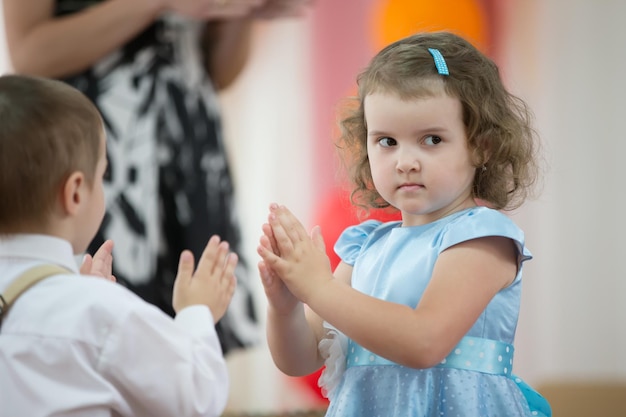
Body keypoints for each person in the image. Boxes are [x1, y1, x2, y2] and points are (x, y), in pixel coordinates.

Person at [257, 32, 552, 417]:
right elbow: (300, 360)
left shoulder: (483, 238)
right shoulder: (365, 248)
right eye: (387, 141)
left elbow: (423, 342)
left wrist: (319, 287)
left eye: (431, 139)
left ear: (481, 146)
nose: (405, 161)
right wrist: (287, 306)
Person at [2, 0, 311, 354]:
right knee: (93, 343)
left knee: (195, 341)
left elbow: (218, 72)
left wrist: (241, 10)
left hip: (190, 154)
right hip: (99, 156)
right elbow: (28, 53)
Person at [0, 74, 238, 416]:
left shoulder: (87, 307)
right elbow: (196, 398)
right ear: (76, 193)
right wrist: (196, 312)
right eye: (103, 175)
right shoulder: (100, 312)